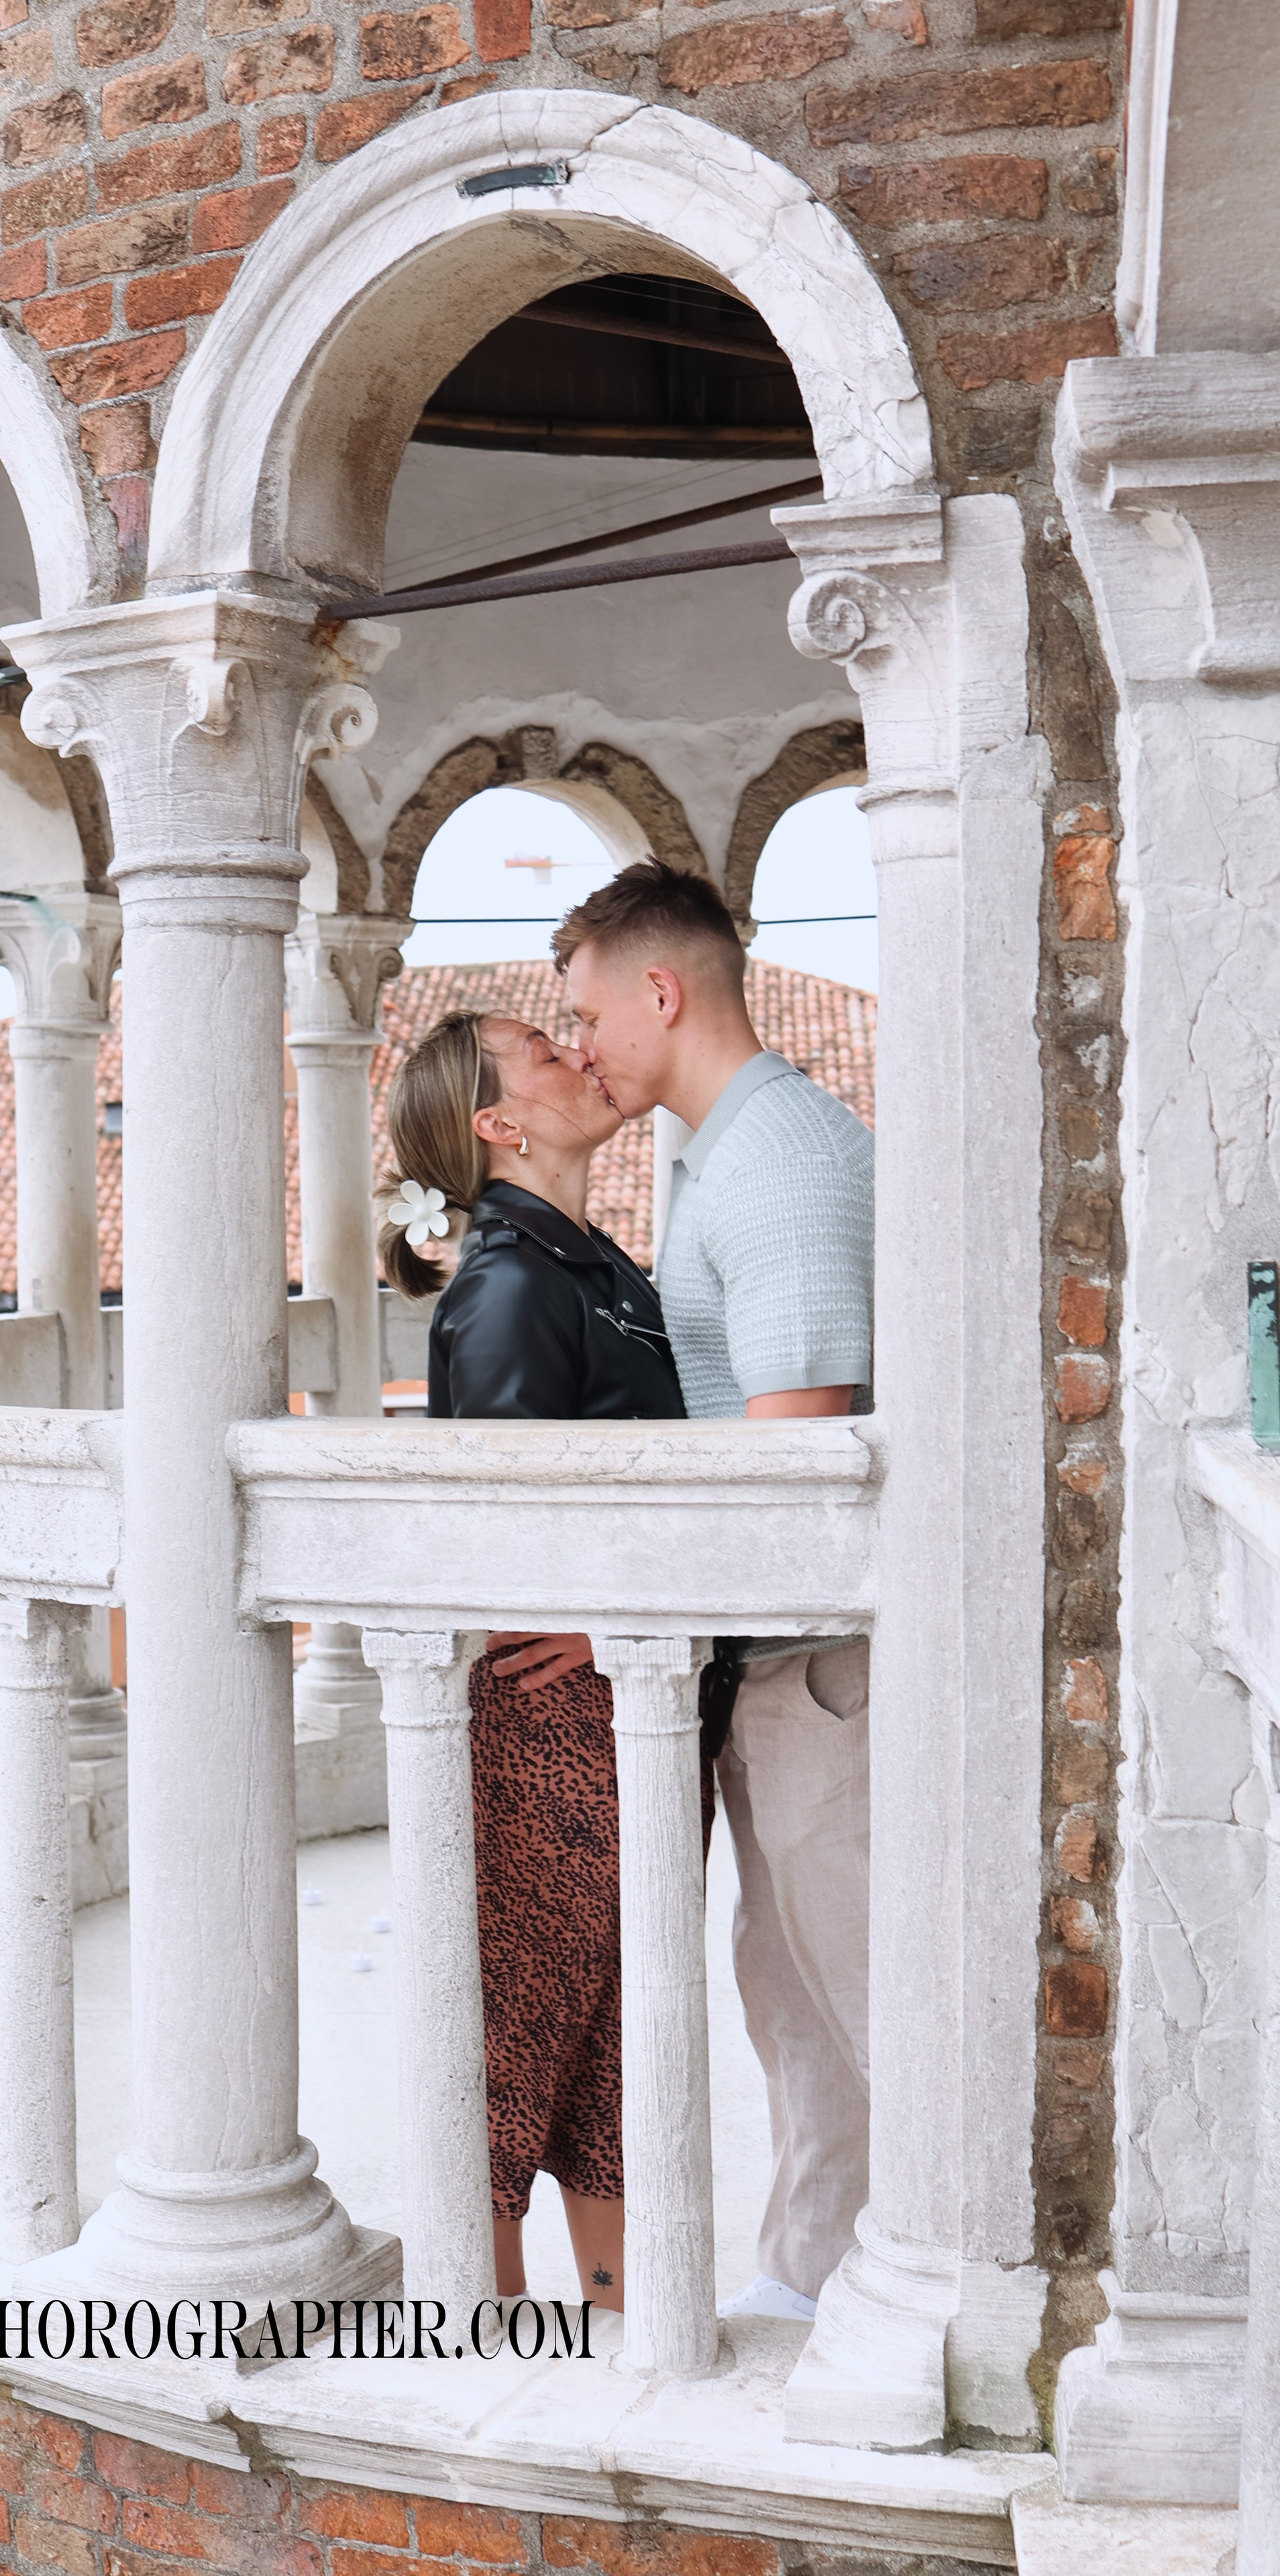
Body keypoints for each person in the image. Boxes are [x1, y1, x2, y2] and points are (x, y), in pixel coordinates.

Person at [556, 859, 875, 2326]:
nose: (578, 1047)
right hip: (770, 1661)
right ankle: (812, 2277)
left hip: (825, 1665)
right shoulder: (718, 1148)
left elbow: (800, 1453)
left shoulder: (778, 1164)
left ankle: (911, 2293)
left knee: (858, 1988)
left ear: (660, 993)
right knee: (788, 1988)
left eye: (586, 1011)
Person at [378, 1008, 709, 2314]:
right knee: (513, 2054)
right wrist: (591, 1623)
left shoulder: (591, 1263)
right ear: (498, 1125)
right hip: (545, 1727)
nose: (583, 1053)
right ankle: (487, 2337)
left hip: (623, 1710)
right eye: (545, 1051)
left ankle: (625, 2318)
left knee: (612, 2053)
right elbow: (501, 1533)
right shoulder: (510, 1285)